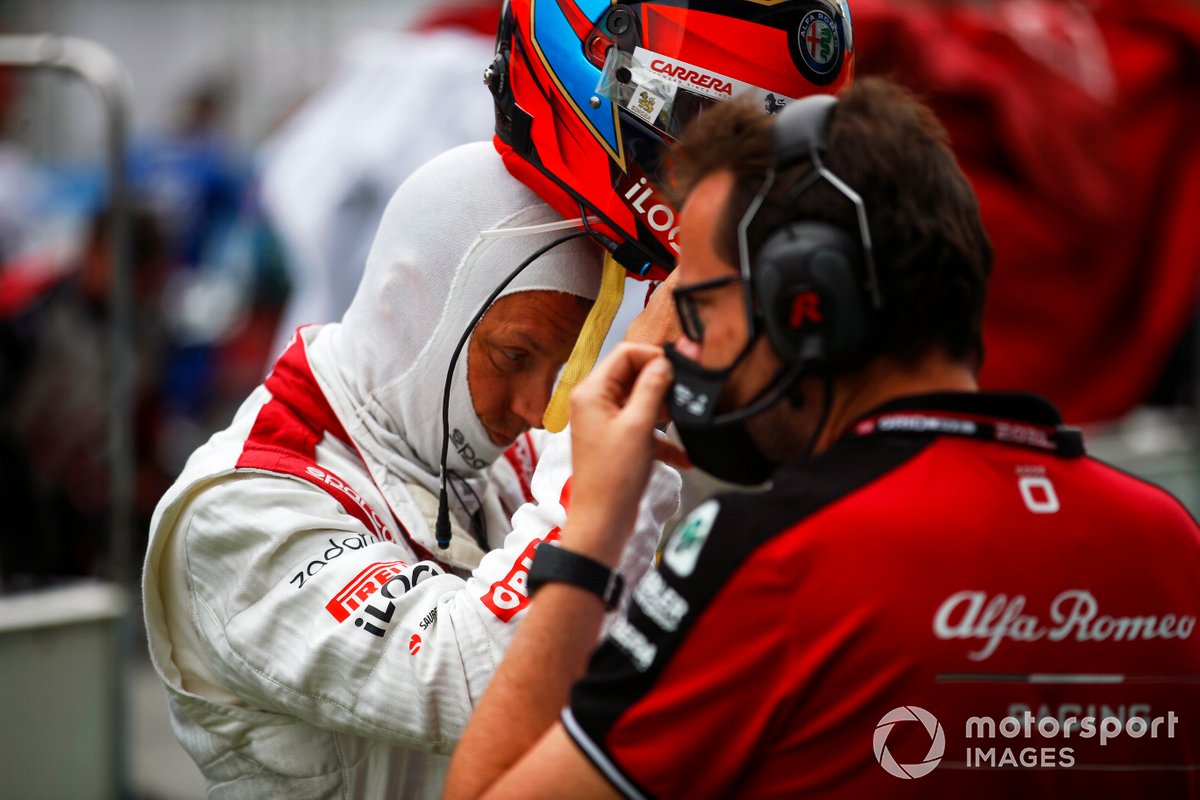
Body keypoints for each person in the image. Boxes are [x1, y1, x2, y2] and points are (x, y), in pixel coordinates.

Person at [445, 78, 1200, 799]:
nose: (684, 352)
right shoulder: (1170, 541)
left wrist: (591, 534)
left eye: (698, 309)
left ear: (809, 301)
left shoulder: (770, 562)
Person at [140, 141, 682, 799]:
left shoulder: (483, 444)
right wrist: (609, 451)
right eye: (514, 356)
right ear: (413, 308)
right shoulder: (236, 510)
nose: (538, 408)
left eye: (560, 366)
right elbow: (473, 678)